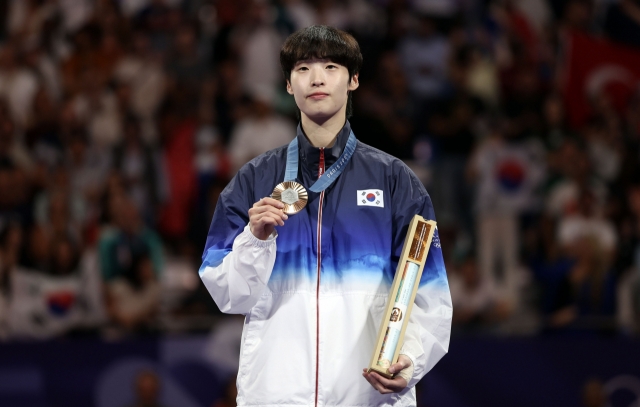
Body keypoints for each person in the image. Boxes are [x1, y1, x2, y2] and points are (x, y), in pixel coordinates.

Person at [199, 25, 452, 407]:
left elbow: (428, 293)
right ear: (288, 85)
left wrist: (409, 361)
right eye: (303, 69)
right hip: (278, 395)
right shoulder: (253, 181)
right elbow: (229, 296)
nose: (316, 78)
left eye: (331, 67)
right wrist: (255, 239)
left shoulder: (395, 180)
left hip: (368, 396)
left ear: (353, 80)